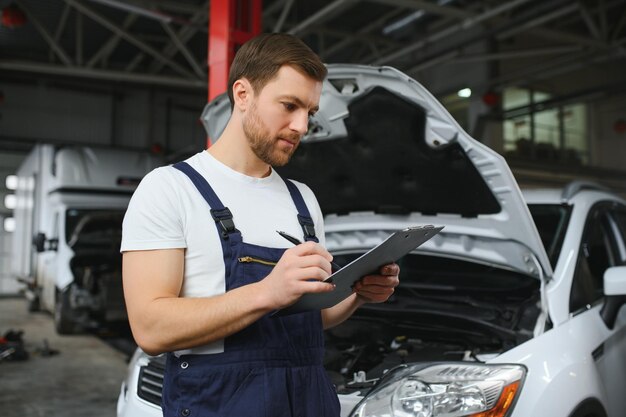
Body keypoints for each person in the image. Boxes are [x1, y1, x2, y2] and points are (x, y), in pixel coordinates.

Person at [121, 33, 400, 417]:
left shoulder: (302, 199)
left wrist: (359, 294)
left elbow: (313, 316)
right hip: (219, 403)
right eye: (289, 106)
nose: (301, 126)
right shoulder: (170, 189)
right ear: (242, 94)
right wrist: (267, 292)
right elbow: (150, 329)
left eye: (310, 112)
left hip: (308, 398)